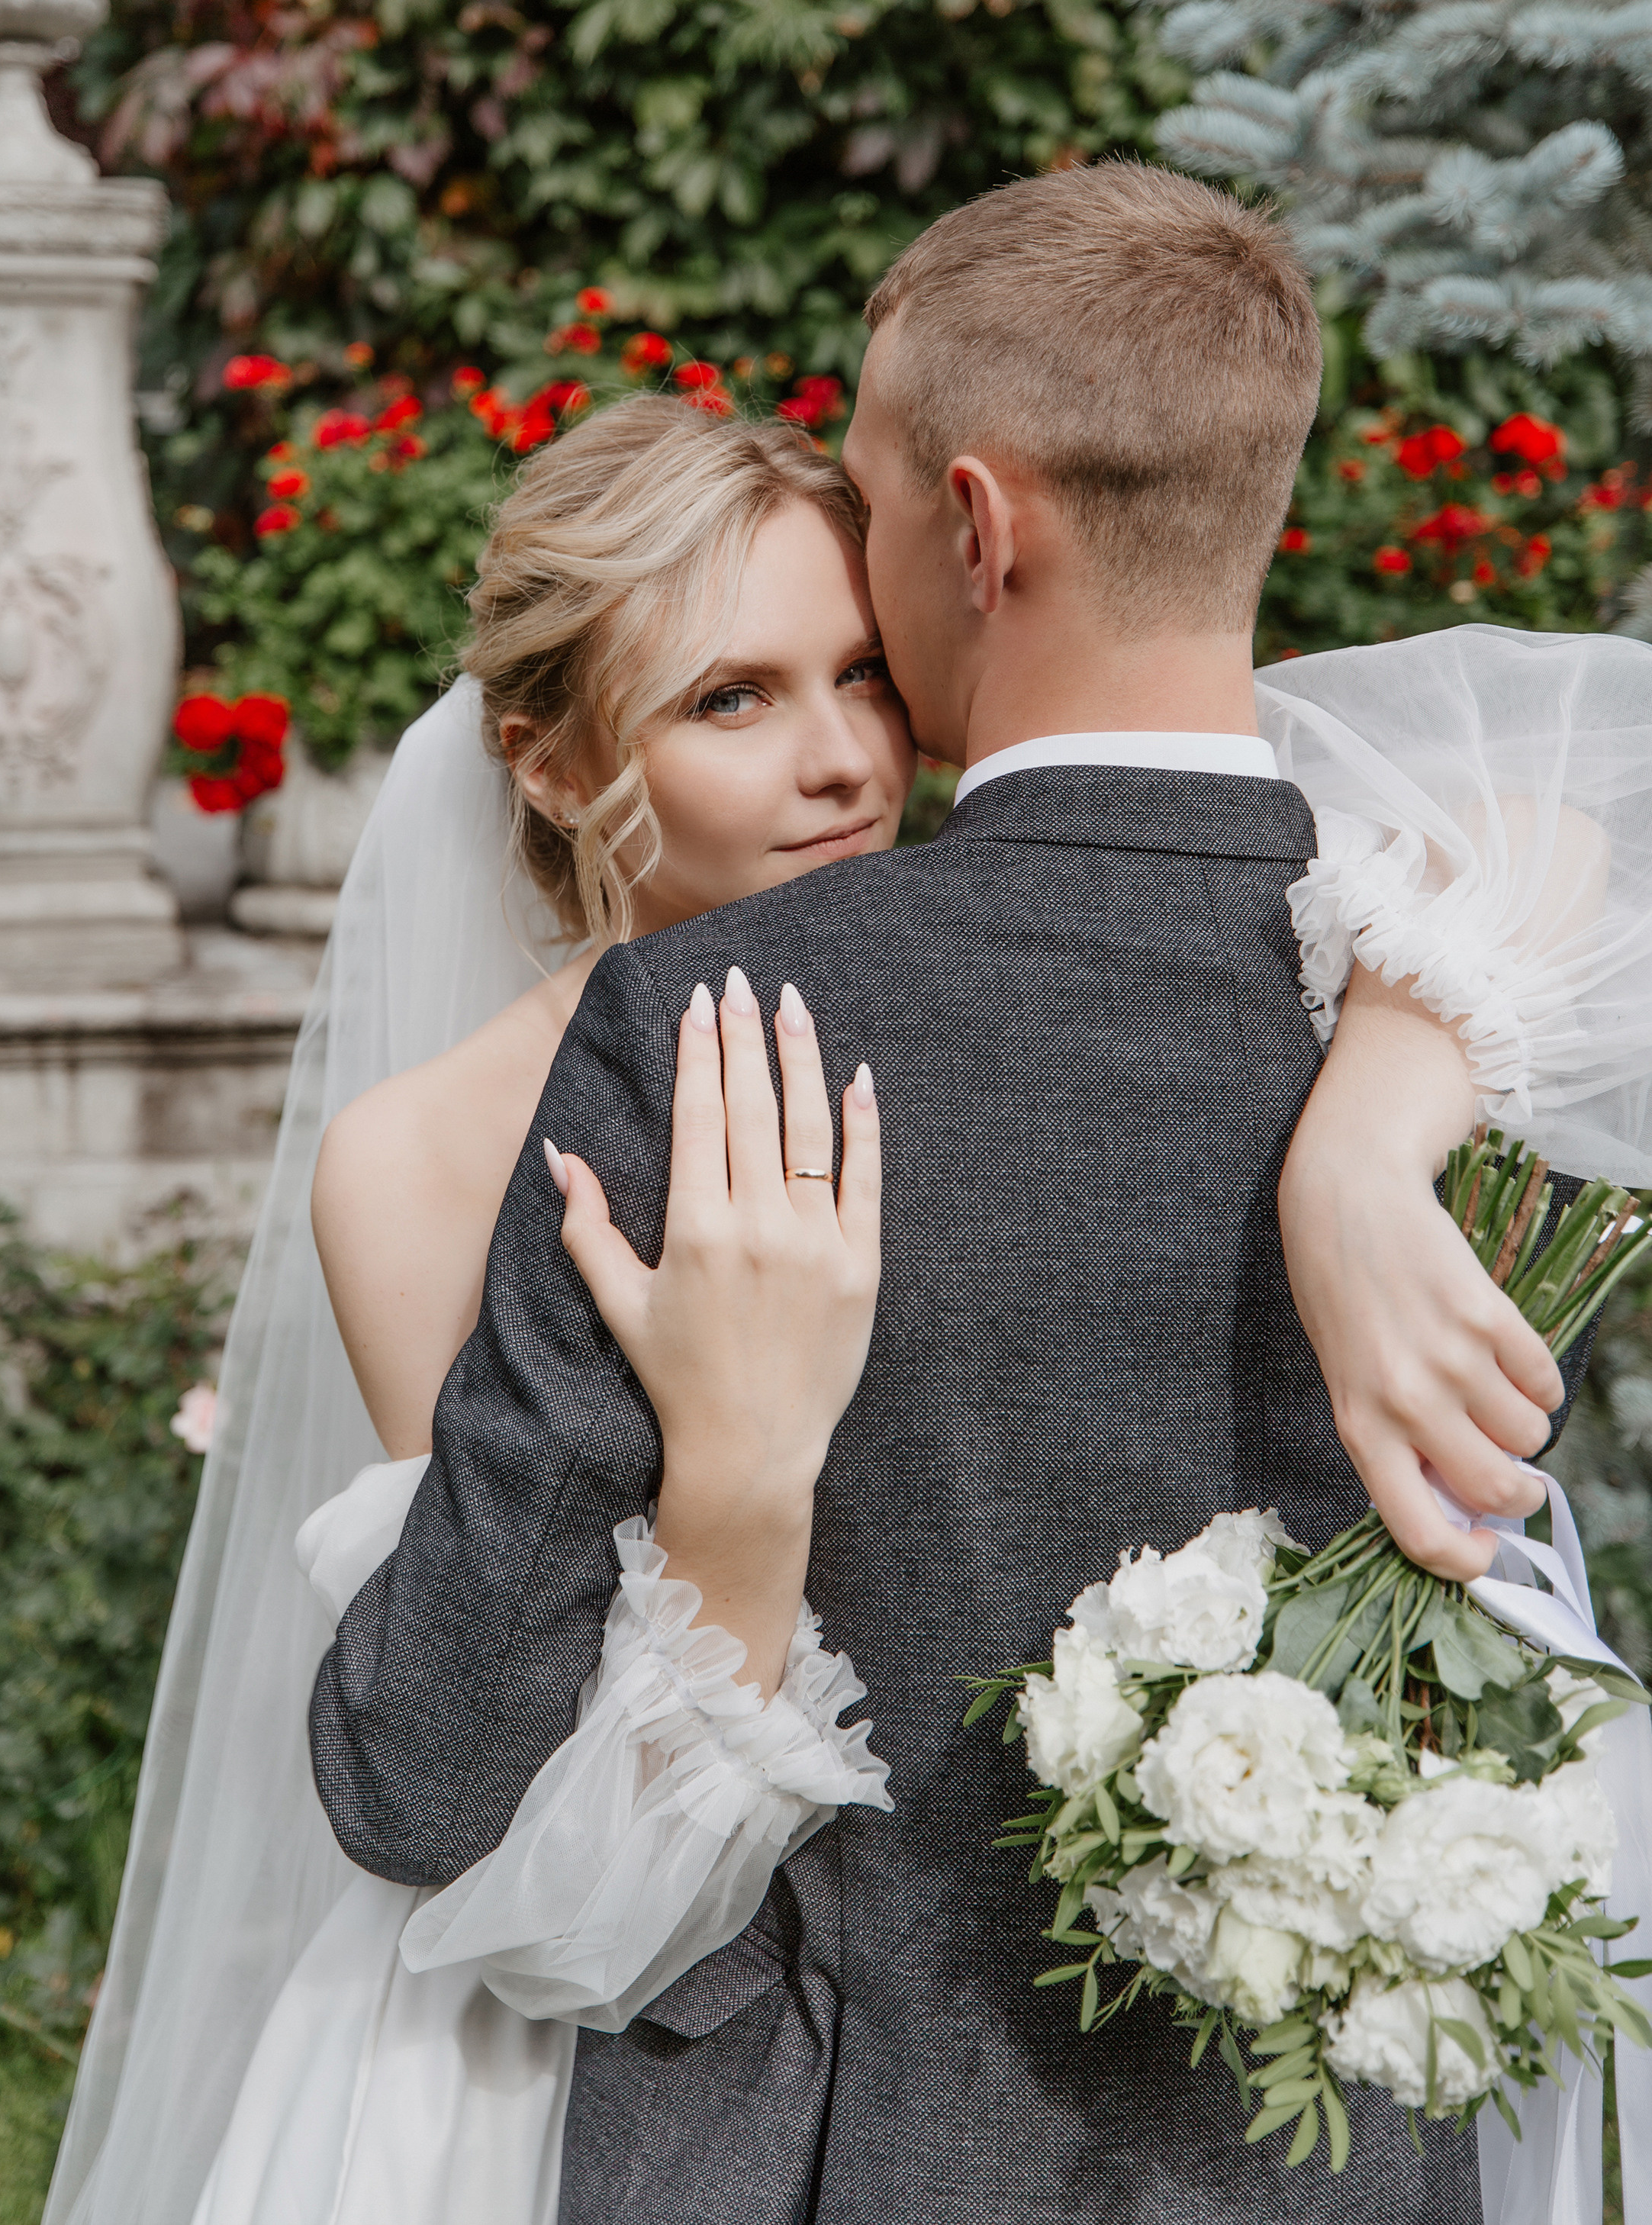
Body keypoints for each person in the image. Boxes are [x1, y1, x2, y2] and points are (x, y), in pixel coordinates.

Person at [304, 166, 1652, 2225]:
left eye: (863, 486)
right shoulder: (1448, 978)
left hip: (848, 2154)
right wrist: (1366, 1133)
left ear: (976, 521)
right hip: (1365, 2161)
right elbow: (1560, 797)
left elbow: (419, 1769)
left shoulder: (709, 1022)